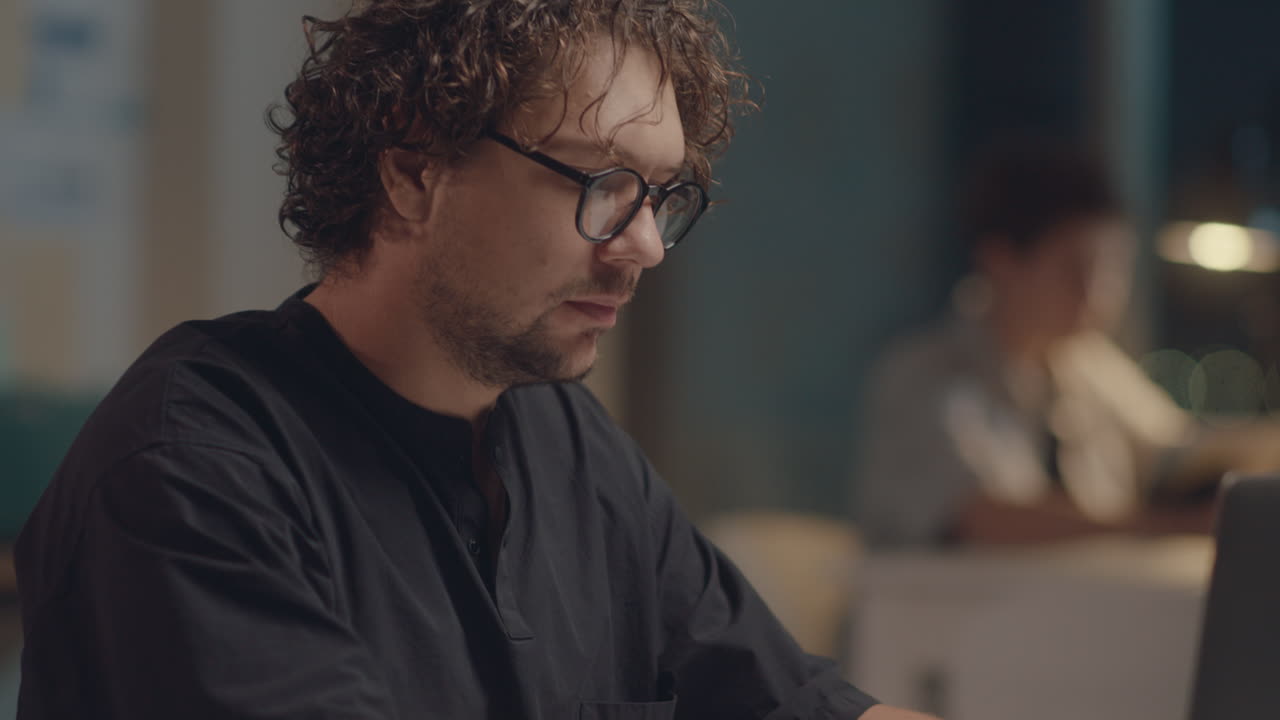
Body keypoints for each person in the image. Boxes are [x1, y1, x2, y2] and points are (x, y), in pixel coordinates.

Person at [14, 2, 934, 718]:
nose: (647, 244)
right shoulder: (194, 470)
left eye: (660, 195)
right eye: (601, 185)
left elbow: (793, 706)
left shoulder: (571, 445)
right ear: (415, 173)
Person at [855, 137, 1272, 548]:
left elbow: (1180, 451)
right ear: (1000, 261)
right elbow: (978, 518)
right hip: (942, 613)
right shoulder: (925, 375)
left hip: (1067, 609)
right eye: (1076, 270)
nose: (1098, 294)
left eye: (1113, 270)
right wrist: (1162, 527)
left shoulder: (1087, 368)